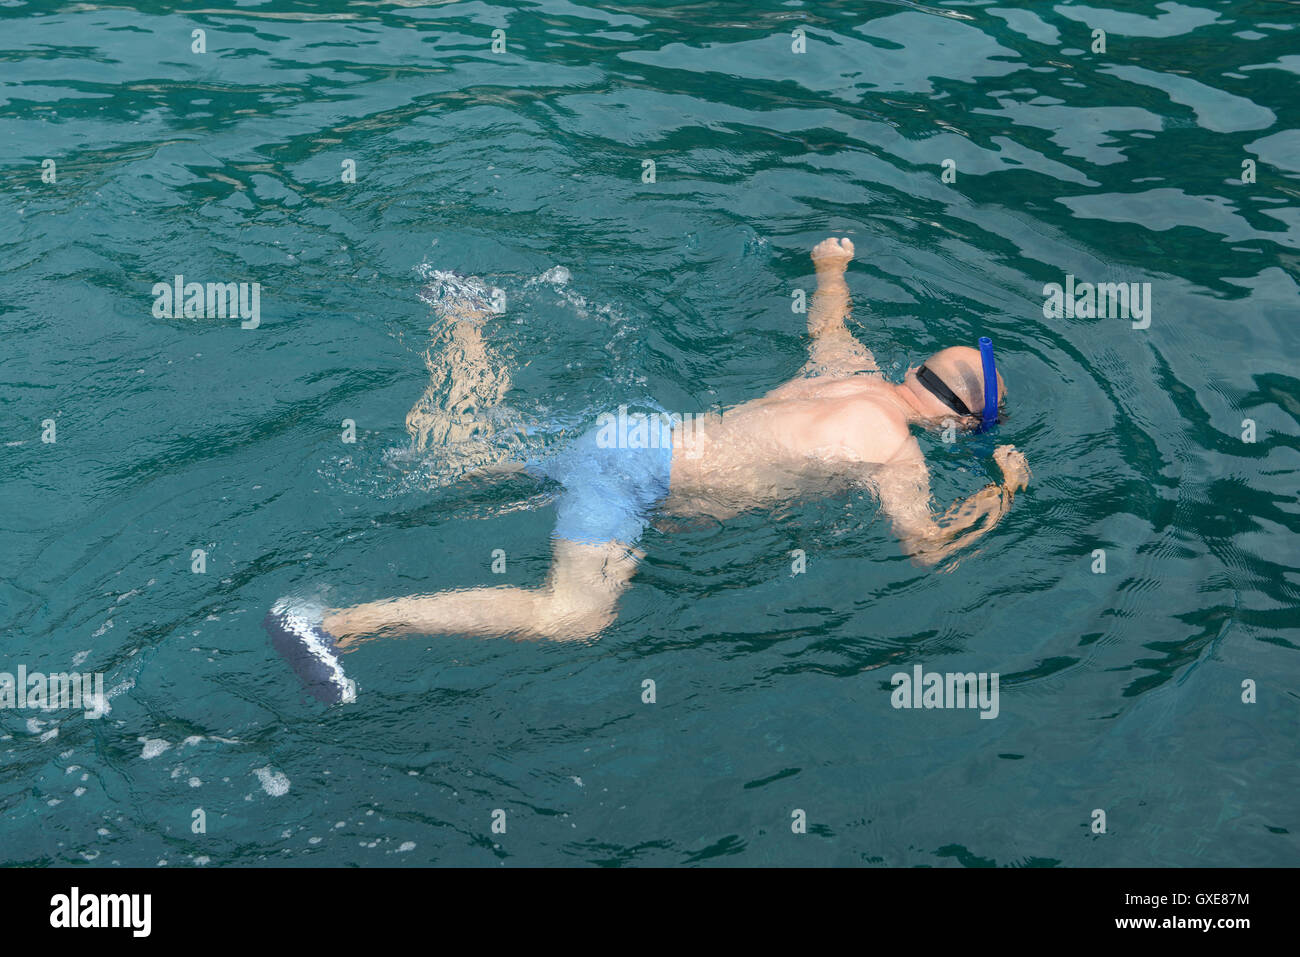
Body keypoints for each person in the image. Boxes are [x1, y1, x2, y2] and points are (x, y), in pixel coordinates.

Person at [266, 237, 1030, 702]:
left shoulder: (851, 369)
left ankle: (467, 323)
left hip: (637, 431)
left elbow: (827, 316)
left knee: (454, 458)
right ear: (960, 421)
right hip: (641, 479)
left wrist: (831, 265)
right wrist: (1003, 490)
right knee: (572, 617)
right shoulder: (896, 456)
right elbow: (926, 547)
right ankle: (335, 626)